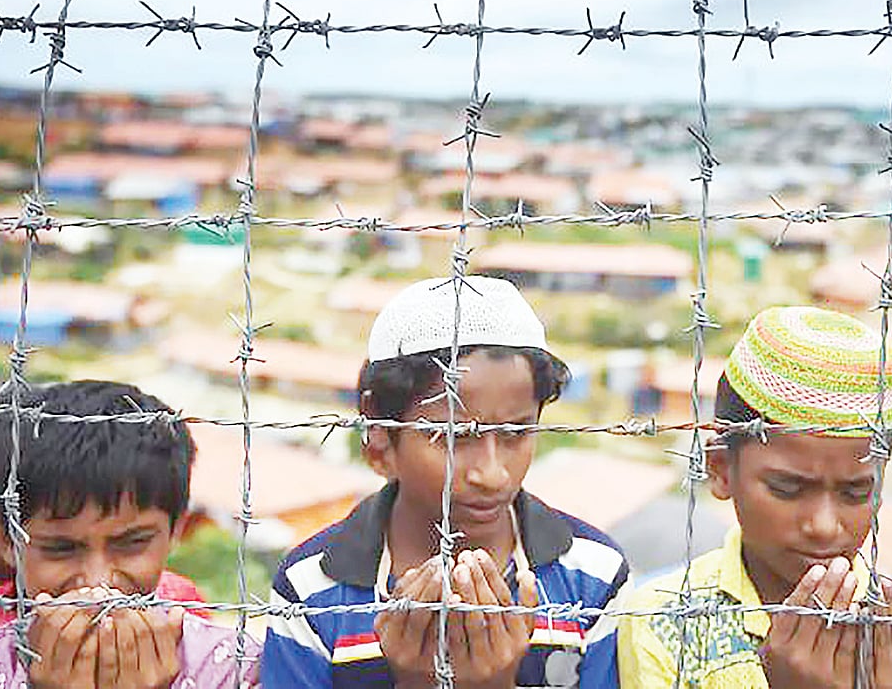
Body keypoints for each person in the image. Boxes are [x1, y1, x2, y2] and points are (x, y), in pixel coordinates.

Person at [262, 276, 630, 688]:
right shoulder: (312, 589)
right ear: (380, 427)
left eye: (516, 433)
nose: (492, 474)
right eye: (454, 437)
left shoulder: (592, 577)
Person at [617, 306, 892, 688]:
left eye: (856, 492)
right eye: (787, 489)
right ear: (719, 469)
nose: (823, 525)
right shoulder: (669, 622)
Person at [0, 380, 259, 688]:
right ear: (7, 541)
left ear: (176, 530)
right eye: (61, 548)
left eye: (133, 543)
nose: (98, 582)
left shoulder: (238, 671)